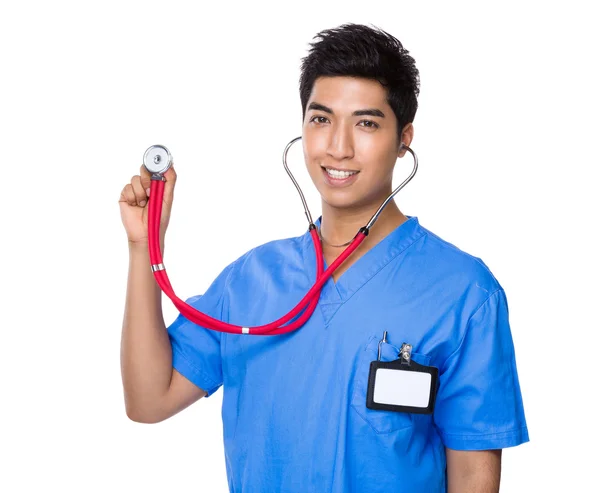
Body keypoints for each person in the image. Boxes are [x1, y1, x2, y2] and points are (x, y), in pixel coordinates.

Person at [119, 23, 528, 493]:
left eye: (367, 123)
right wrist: (142, 246)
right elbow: (149, 401)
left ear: (404, 138)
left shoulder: (463, 291)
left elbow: (473, 477)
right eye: (321, 119)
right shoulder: (250, 281)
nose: (338, 147)